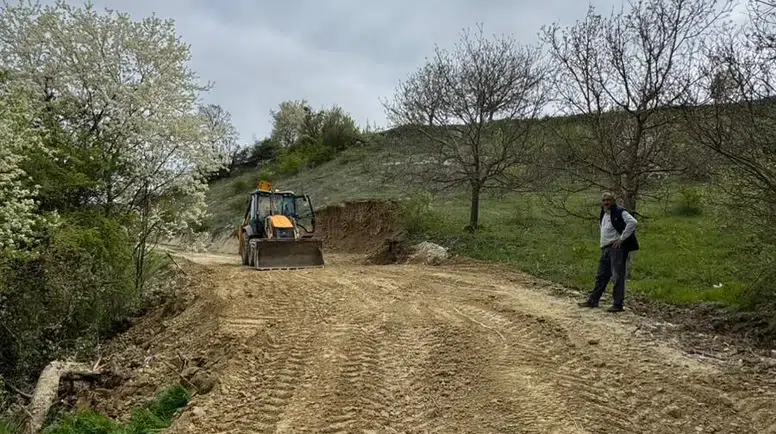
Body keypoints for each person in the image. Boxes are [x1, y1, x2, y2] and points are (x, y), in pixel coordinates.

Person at [578, 192, 639, 313]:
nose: (606, 202)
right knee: (601, 275)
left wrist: (622, 239)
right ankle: (593, 300)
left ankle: (618, 304)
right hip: (605, 248)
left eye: (608, 200)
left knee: (617, 276)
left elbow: (633, 222)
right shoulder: (604, 213)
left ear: (613, 201)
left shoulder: (620, 211)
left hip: (616, 249)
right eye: (604, 200)